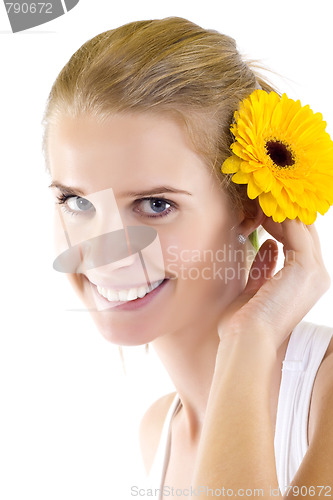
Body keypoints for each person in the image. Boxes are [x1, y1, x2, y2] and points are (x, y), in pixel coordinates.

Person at [43, 17, 333, 498]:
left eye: (156, 205)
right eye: (77, 202)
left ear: (247, 209)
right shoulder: (159, 431)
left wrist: (248, 343)